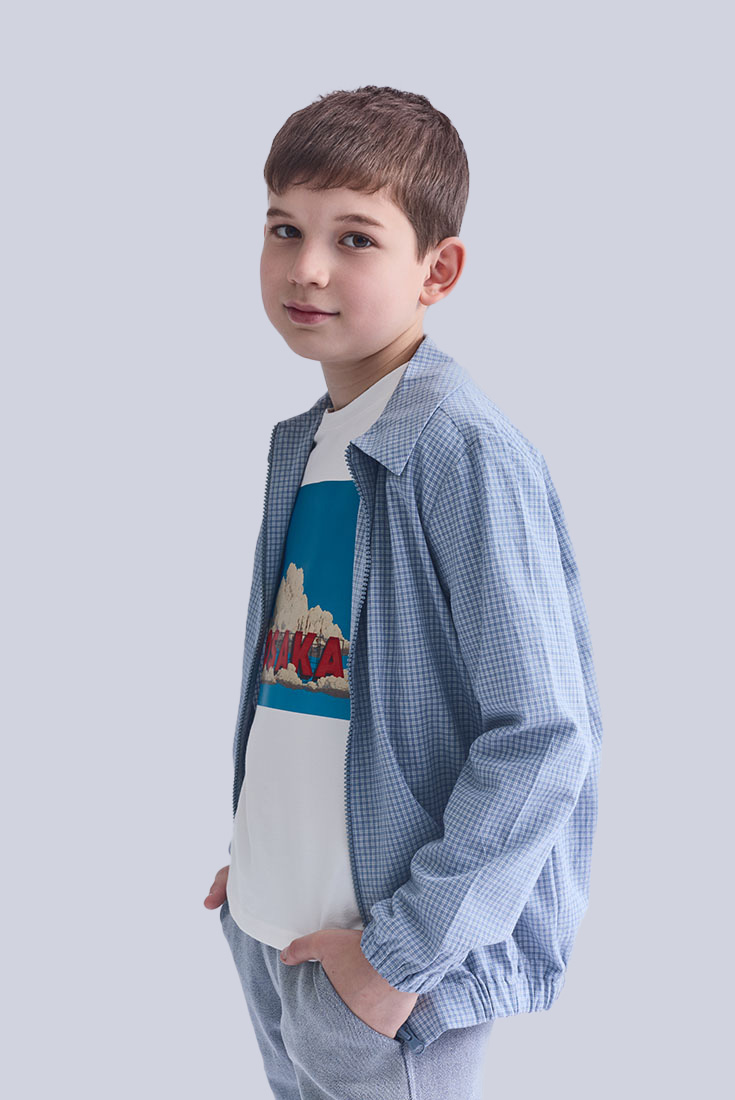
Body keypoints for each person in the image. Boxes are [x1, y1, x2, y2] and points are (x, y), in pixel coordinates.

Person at [203, 85, 602, 1100]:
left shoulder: (459, 451)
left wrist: (402, 956)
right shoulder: (307, 444)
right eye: (285, 228)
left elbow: (544, 735)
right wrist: (259, 856)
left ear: (439, 269)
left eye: (355, 238)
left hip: (384, 965)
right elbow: (310, 687)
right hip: (273, 929)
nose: (308, 266)